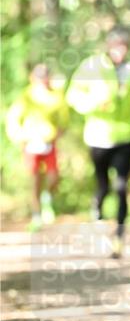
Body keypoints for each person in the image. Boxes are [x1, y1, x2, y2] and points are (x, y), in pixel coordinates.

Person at [67, 26, 130, 258]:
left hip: (125, 136)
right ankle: (97, 213)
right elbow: (73, 96)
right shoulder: (91, 66)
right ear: (109, 46)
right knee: (103, 185)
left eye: (125, 45)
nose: (121, 50)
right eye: (117, 45)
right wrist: (94, 104)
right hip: (98, 136)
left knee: (121, 187)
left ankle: (119, 238)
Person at [5, 63, 69, 230]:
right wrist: (20, 137)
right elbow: (13, 119)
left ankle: (47, 197)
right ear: (33, 79)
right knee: (34, 180)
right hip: (31, 144)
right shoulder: (26, 96)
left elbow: (64, 120)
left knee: (53, 177)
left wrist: (58, 134)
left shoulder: (57, 97)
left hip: (49, 143)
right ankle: (36, 216)